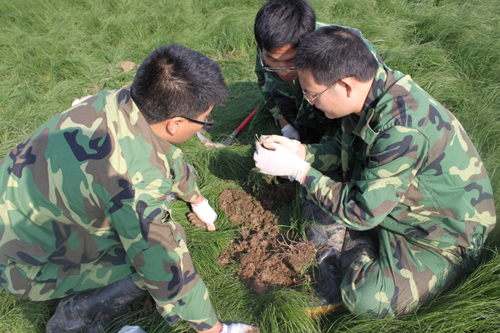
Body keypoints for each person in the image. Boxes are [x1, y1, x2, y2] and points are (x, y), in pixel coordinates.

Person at [0, 44, 259, 333]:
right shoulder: (136, 183)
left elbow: (165, 154)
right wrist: (217, 330)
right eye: (205, 121)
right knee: (150, 258)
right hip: (21, 264)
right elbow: (164, 263)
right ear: (175, 124)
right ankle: (74, 320)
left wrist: (196, 198)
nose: (204, 126)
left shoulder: (120, 100)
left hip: (23, 210)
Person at [254, 26, 496, 317]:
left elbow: (362, 212)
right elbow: (344, 150)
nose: (309, 102)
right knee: (320, 189)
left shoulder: (401, 127)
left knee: (366, 299)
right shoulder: (367, 94)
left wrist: (299, 171)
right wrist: (302, 153)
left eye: (312, 94)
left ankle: (356, 242)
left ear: (344, 86)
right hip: (399, 204)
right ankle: (364, 237)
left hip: (441, 236)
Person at [254, 0, 383, 144]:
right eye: (272, 60)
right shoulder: (269, 44)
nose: (282, 71)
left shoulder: (348, 49)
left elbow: (371, 106)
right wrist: (285, 126)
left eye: (291, 61)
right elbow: (264, 83)